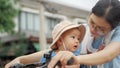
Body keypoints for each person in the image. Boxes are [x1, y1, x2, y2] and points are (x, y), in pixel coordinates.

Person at [48, 0, 120, 68]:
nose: (92, 29)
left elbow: (108, 55)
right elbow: (57, 50)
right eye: (92, 22)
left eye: (101, 29)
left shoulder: (117, 33)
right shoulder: (83, 31)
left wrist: (76, 59)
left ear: (113, 28)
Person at [5, 21, 86, 68]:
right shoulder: (47, 54)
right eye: (73, 37)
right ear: (60, 41)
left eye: (78, 38)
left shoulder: (75, 57)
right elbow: (39, 64)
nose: (77, 41)